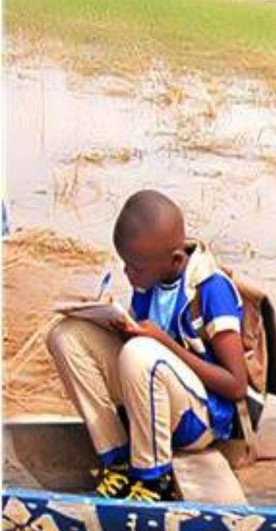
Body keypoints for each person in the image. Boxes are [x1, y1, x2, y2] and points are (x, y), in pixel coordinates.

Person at [45, 190, 248, 501]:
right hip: (153, 405)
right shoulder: (150, 280)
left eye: (136, 268)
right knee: (66, 336)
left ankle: (154, 479)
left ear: (176, 260)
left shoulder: (211, 290)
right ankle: (118, 459)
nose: (128, 274)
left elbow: (235, 385)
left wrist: (162, 342)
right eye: (126, 264)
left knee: (142, 353)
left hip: (198, 421)